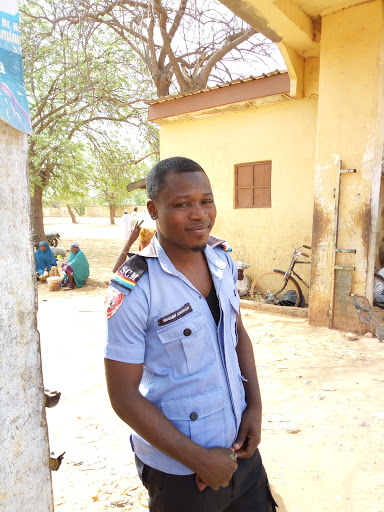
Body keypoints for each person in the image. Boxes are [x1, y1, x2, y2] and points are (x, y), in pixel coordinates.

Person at [104, 157, 277, 512]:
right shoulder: (135, 288)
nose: (199, 214)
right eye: (182, 204)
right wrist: (199, 459)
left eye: (206, 201)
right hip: (180, 472)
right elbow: (123, 397)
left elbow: (237, 332)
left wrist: (255, 407)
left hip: (239, 452)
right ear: (154, 209)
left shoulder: (222, 260)